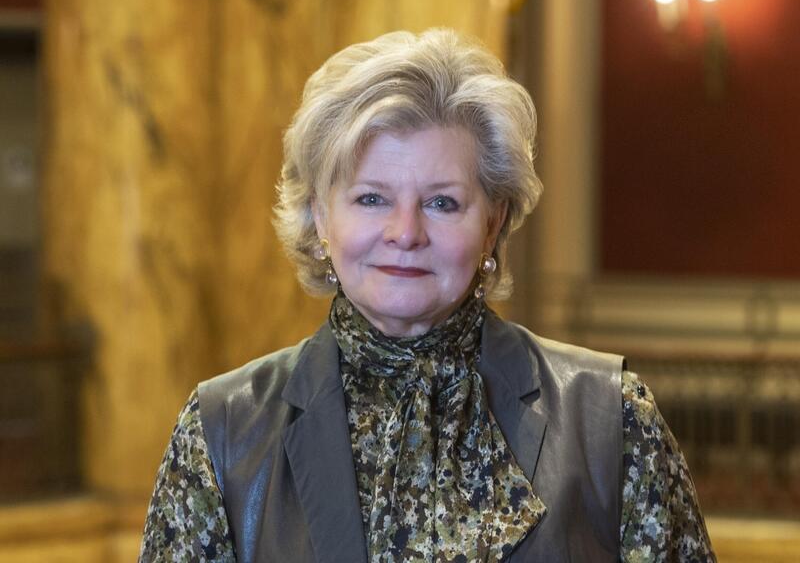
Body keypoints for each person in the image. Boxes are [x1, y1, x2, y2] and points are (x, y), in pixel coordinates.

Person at [139, 29, 715, 562]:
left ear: (493, 223)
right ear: (320, 217)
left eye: (443, 202)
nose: (405, 233)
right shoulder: (220, 431)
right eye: (371, 198)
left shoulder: (612, 417)